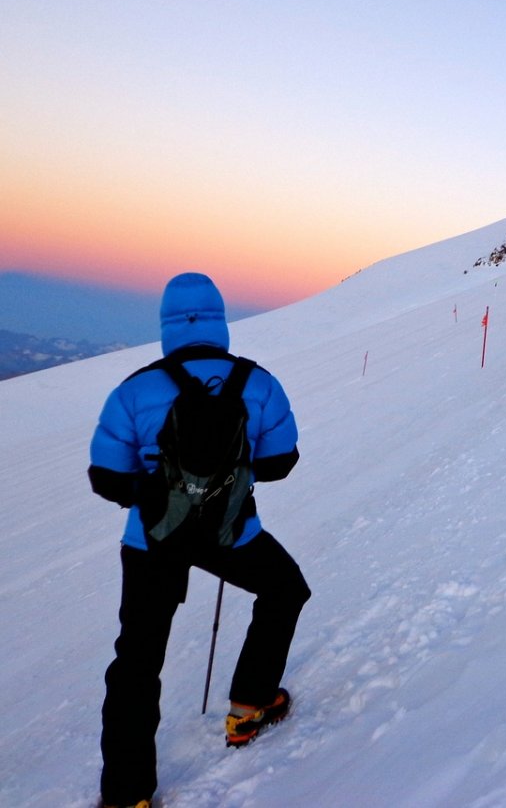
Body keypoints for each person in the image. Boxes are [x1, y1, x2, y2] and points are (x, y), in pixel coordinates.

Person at [89, 272, 311, 808]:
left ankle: (127, 794)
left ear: (167, 324)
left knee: (137, 662)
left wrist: (162, 490)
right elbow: (281, 462)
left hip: (152, 540)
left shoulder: (135, 389)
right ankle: (250, 707)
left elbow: (106, 478)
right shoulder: (257, 383)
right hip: (231, 532)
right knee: (285, 590)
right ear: (221, 321)